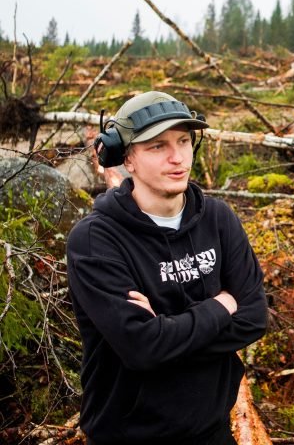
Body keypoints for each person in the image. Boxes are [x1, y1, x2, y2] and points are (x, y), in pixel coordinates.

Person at [66, 91, 268, 445]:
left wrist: (164, 329)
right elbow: (142, 348)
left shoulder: (218, 220)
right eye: (157, 146)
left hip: (212, 431)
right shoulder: (95, 241)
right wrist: (220, 306)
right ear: (126, 158)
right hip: (129, 435)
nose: (177, 158)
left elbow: (253, 318)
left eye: (184, 141)